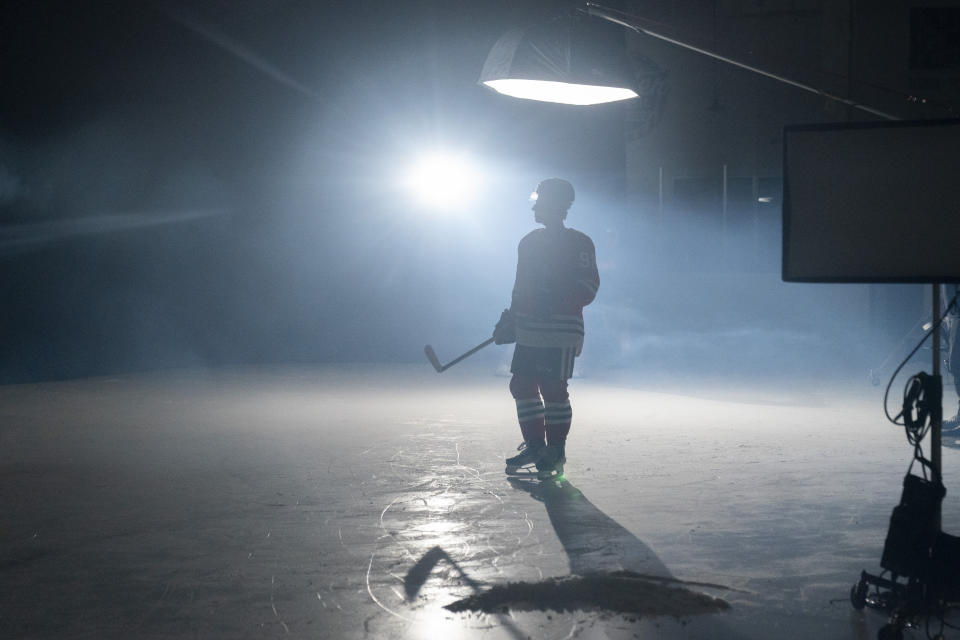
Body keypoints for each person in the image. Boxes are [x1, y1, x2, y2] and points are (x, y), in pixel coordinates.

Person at [493, 178, 599, 479]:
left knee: (553, 389)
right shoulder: (528, 242)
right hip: (530, 328)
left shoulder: (579, 242)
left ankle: (556, 450)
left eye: (540, 200)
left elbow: (588, 286)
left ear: (557, 204)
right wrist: (511, 317)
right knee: (522, 386)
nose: (535, 206)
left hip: (561, 329)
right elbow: (520, 286)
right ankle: (537, 446)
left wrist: (552, 299)